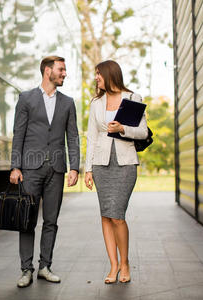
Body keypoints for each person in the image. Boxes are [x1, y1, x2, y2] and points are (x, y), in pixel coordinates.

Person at [9, 55, 80, 288]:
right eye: (61, 69)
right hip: (30, 170)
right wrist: (15, 166)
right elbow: (18, 133)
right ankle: (26, 269)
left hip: (56, 170)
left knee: (51, 220)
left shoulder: (68, 103)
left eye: (65, 70)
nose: (64, 73)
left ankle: (45, 267)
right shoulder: (26, 98)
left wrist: (74, 167)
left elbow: (73, 136)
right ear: (47, 70)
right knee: (27, 220)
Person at [84, 60, 148, 284]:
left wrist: (122, 128)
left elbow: (142, 132)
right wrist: (88, 169)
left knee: (117, 216)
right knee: (105, 215)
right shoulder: (96, 103)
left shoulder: (132, 98)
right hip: (101, 164)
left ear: (110, 74)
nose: (96, 78)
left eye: (99, 74)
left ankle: (125, 263)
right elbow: (91, 137)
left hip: (125, 164)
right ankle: (113, 265)